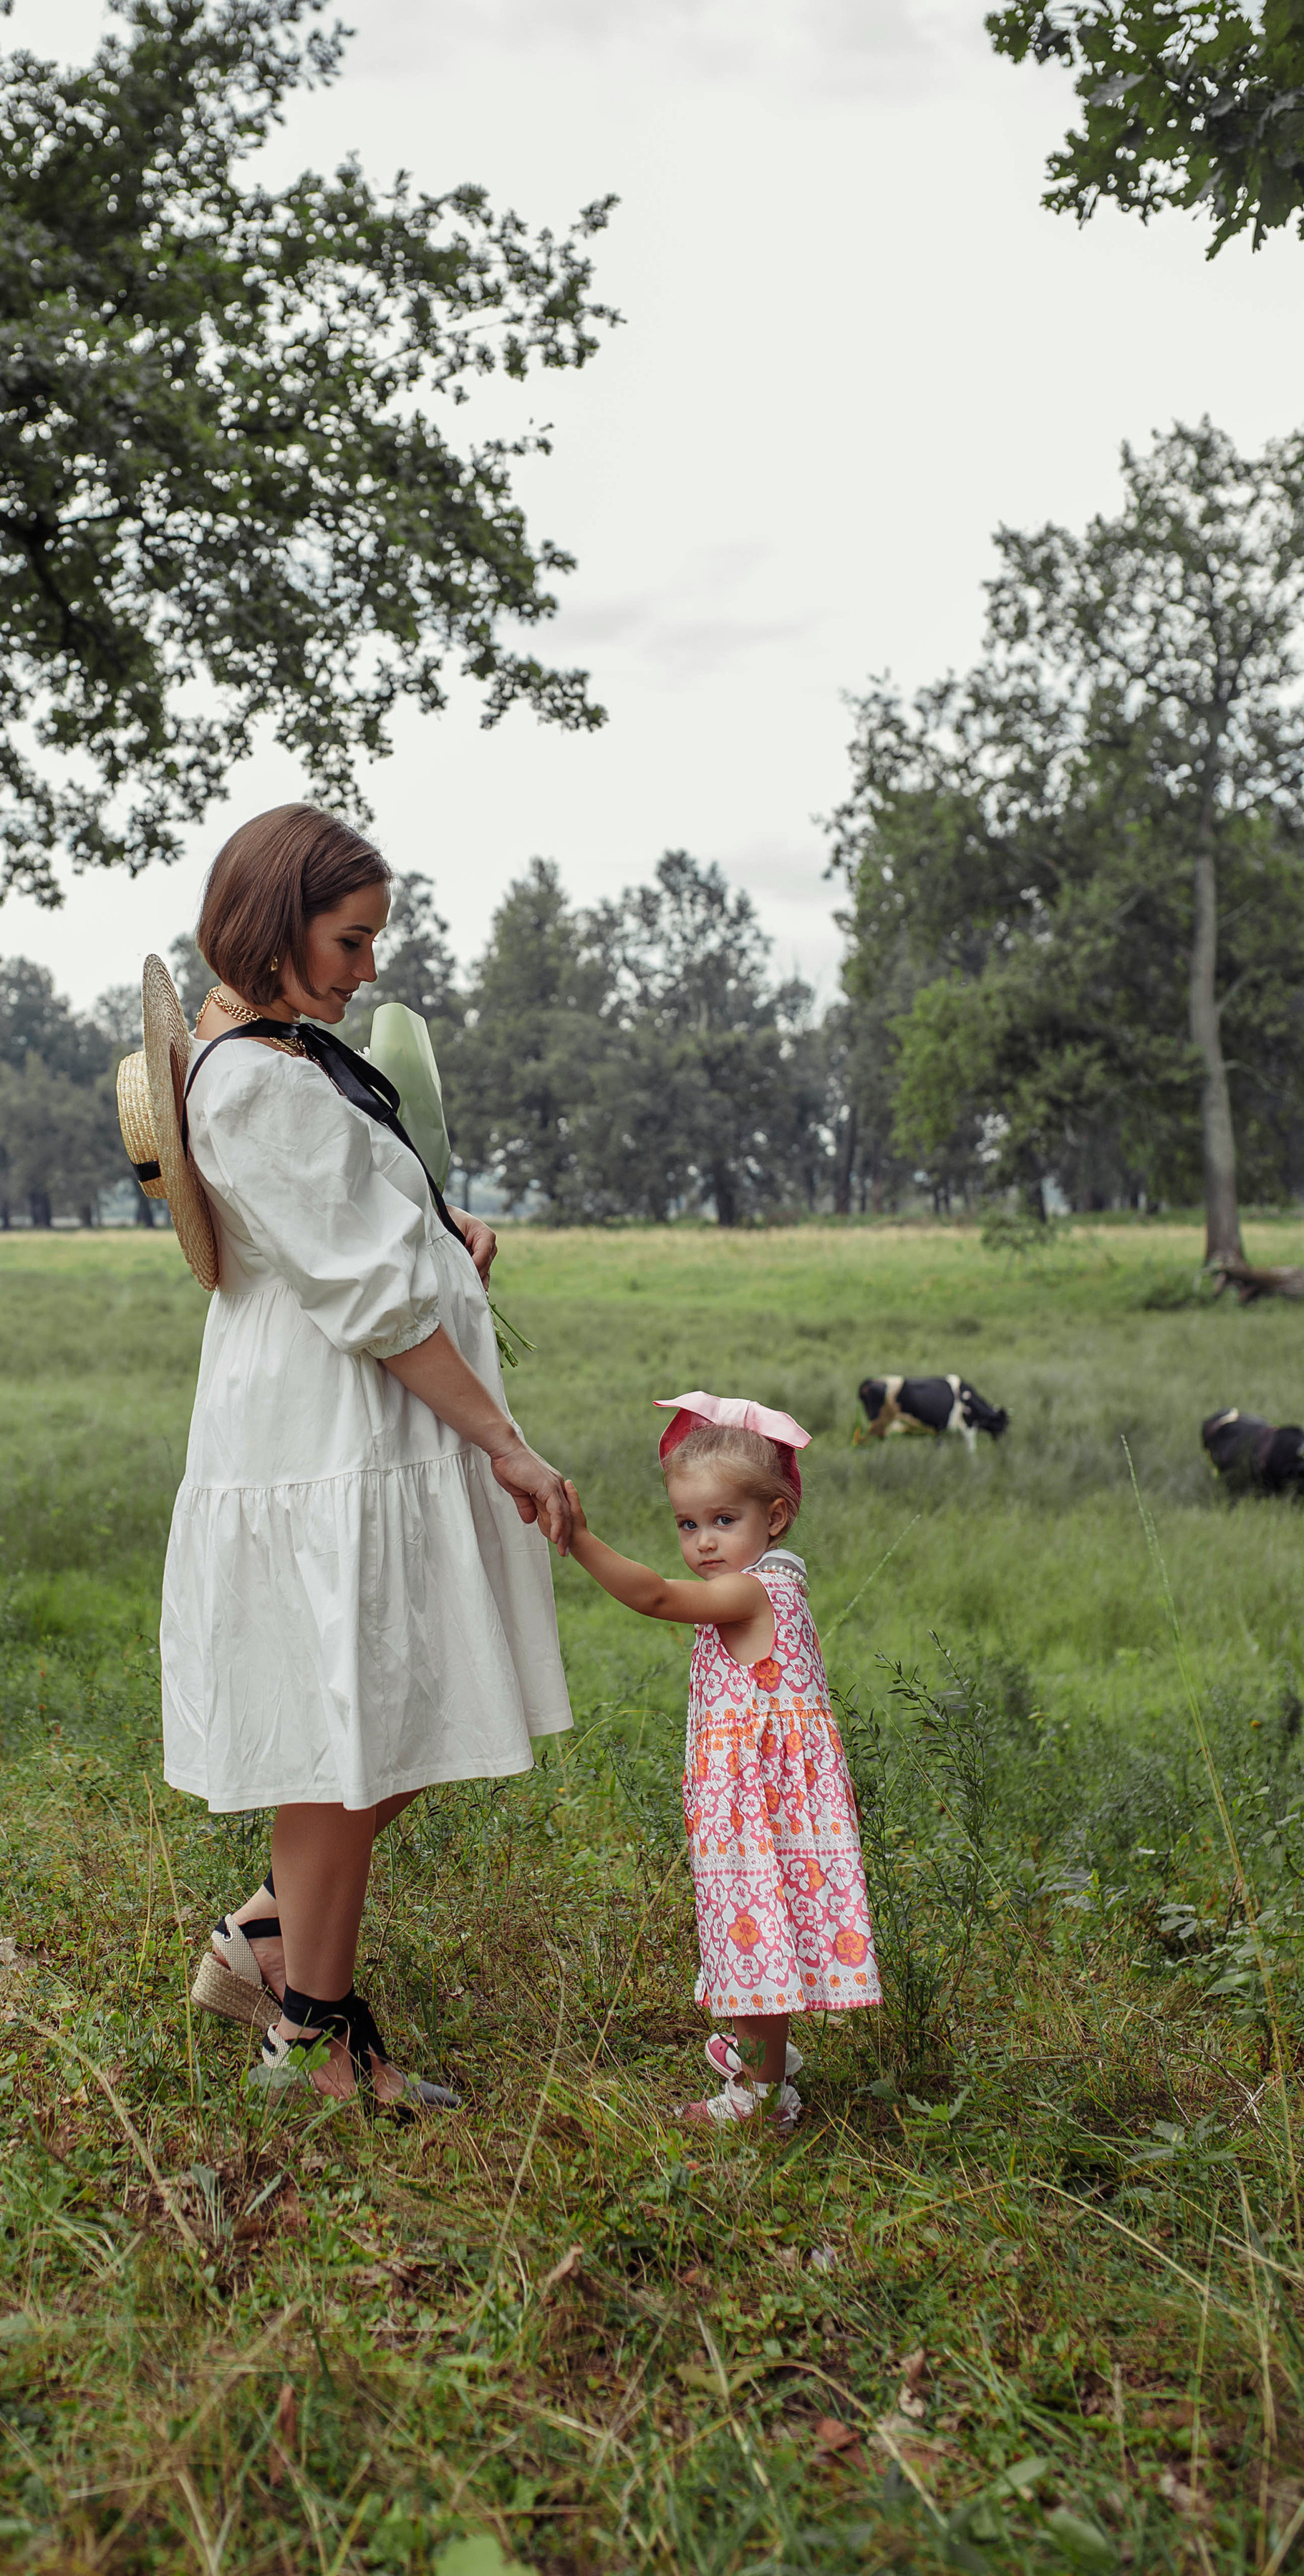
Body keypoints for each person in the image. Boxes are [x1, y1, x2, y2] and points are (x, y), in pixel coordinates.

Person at [160, 803, 574, 2107]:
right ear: (275, 926)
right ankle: (312, 2038)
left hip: (360, 1438)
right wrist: (507, 1442)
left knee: (382, 1727)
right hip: (335, 1441)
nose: (370, 966)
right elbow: (375, 1305)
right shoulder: (257, 1082)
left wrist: (437, 1223)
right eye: (351, 938)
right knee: (351, 1741)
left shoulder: (280, 1061)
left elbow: (350, 1230)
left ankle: (270, 1944)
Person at [562, 1392, 879, 2129]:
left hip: (756, 1806)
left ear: (773, 1518)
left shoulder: (747, 1591)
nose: (703, 1543)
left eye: (723, 1522)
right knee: (760, 1930)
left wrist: (578, 1539)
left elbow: (651, 1596)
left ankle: (758, 2099)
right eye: (687, 1524)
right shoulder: (781, 1583)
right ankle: (762, 2063)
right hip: (765, 1796)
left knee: (756, 1931)